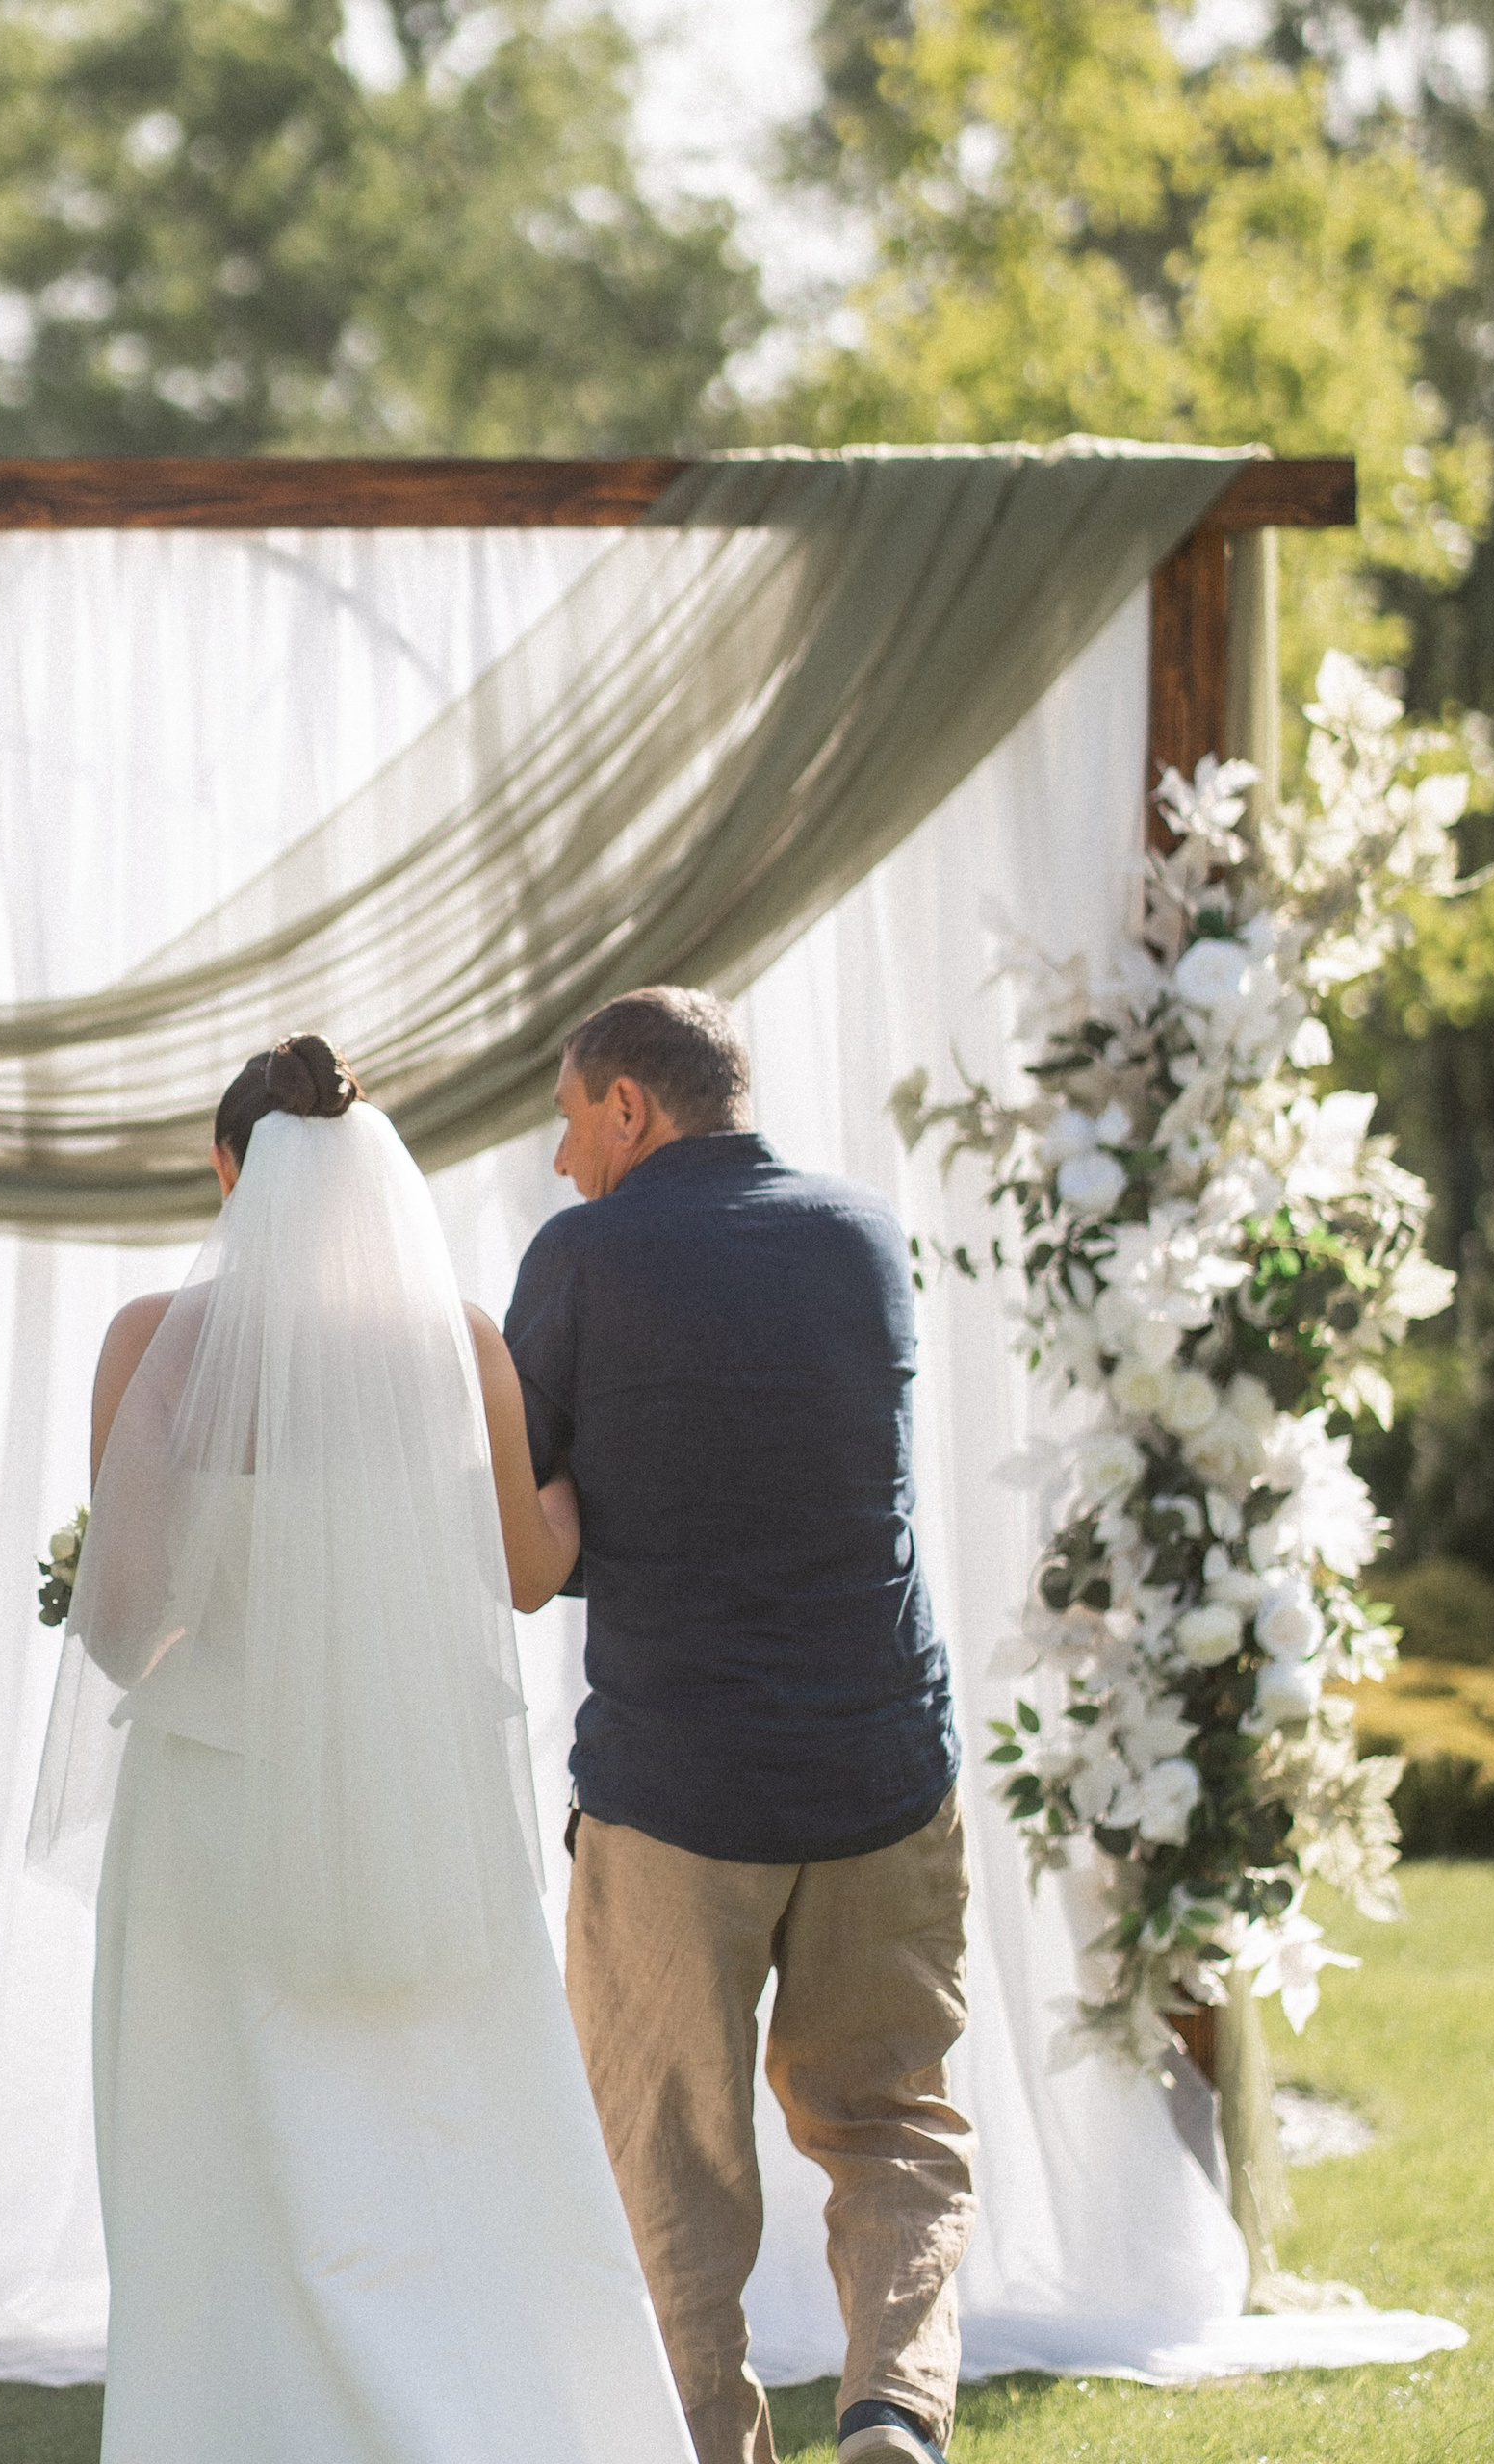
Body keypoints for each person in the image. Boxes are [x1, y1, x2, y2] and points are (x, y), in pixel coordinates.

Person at [29, 1033, 695, 2464]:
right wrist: (575, 1490)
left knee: (220, 2146)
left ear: (228, 1172)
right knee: (446, 2134)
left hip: (214, 1804)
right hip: (415, 1806)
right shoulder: (454, 1342)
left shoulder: (158, 1341)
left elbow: (120, 1624)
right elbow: (527, 1573)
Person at [503, 986, 975, 2464]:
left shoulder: (580, 1257)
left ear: (630, 1105)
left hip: (676, 1792)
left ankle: (712, 2448)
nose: (560, 1158)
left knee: (668, 2162)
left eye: (571, 1120)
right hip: (884, 1769)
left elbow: (533, 1550)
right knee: (894, 2123)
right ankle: (894, 2406)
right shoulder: (864, 1237)